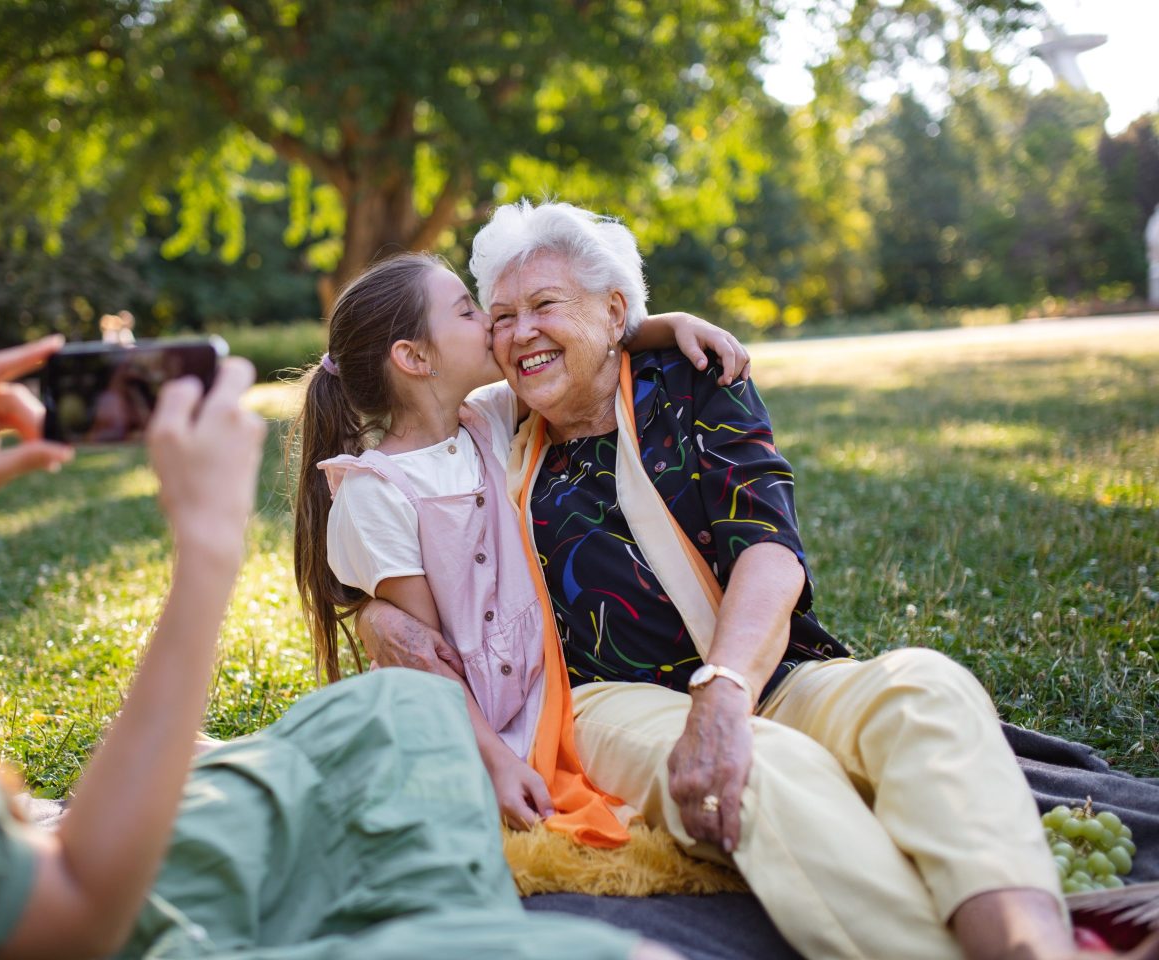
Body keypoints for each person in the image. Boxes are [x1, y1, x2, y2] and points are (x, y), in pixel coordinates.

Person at [0, 67, 682, 960]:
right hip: (84, 910)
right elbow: (68, 919)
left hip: (42, 857)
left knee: (395, 714)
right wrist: (207, 553)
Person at [358, 200, 1159, 960]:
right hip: (600, 704)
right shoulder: (492, 430)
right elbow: (395, 493)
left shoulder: (698, 382)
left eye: (545, 305)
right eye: (499, 317)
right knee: (769, 772)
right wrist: (373, 616)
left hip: (760, 668)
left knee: (925, 688)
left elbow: (769, 550)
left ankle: (1030, 937)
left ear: (614, 316)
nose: (520, 333)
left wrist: (726, 686)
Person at [291, 252, 749, 832]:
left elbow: (577, 345)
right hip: (465, 728)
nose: (491, 321)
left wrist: (670, 323)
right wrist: (499, 763)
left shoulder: (488, 418)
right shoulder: (375, 493)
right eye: (466, 311)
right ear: (412, 357)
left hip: (544, 701)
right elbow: (427, 662)